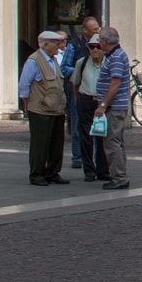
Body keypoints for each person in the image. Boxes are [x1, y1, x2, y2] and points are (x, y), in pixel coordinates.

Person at [19, 29, 70, 187]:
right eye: (56, 43)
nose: (59, 46)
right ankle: (36, 173)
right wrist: (27, 104)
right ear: (46, 45)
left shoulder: (54, 59)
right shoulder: (34, 61)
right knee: (40, 144)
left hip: (57, 109)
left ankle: (52, 172)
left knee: (56, 144)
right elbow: (24, 84)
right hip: (40, 109)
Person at [91, 26, 133, 189]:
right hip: (117, 106)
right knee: (117, 141)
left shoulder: (116, 57)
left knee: (112, 142)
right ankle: (119, 174)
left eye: (100, 39)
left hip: (114, 107)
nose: (98, 42)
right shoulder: (115, 55)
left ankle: (119, 177)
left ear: (106, 41)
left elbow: (115, 83)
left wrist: (103, 105)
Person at [60, 16, 100, 178]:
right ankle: (78, 157)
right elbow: (64, 68)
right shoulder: (74, 45)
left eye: (98, 28)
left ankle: (96, 159)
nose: (97, 31)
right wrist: (80, 72)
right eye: (94, 28)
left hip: (95, 95)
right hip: (77, 90)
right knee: (78, 126)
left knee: (98, 129)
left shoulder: (101, 45)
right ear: (85, 30)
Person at [73, 29, 106, 181]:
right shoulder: (82, 62)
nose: (95, 50)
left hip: (102, 103)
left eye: (98, 47)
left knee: (102, 137)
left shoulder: (108, 63)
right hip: (85, 101)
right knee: (85, 137)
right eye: (92, 47)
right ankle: (89, 170)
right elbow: (75, 83)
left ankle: (103, 170)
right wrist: (77, 101)